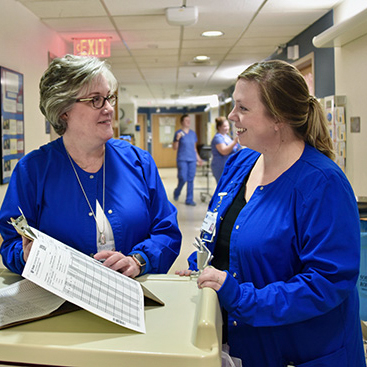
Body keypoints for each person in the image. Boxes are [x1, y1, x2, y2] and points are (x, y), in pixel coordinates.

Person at [177, 60, 366, 366]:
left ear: (278, 117)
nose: (231, 116)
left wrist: (239, 297)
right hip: (245, 345)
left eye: (243, 108)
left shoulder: (322, 183)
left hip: (301, 351)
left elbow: (327, 282)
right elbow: (216, 234)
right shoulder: (241, 164)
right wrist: (200, 268)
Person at [0, 54, 181, 278]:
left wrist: (139, 260)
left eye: (109, 98)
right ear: (63, 110)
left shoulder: (139, 163)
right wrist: (25, 255)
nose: (109, 108)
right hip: (62, 303)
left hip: (134, 296)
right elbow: (11, 243)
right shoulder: (32, 171)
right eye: (96, 99)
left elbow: (167, 231)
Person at [172, 114, 203, 206]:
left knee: (190, 179)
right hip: (182, 159)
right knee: (183, 178)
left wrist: (199, 158)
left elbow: (194, 148)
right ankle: (177, 191)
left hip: (192, 159)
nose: (188, 122)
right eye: (186, 120)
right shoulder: (178, 133)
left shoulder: (193, 134)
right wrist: (177, 139)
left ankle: (189, 199)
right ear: (182, 122)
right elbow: (174, 147)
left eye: (189, 120)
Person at [210, 116, 240, 183]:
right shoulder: (218, 138)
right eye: (225, 126)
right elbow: (224, 151)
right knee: (222, 186)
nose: (227, 128)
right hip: (220, 166)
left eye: (228, 126)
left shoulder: (227, 137)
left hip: (229, 165)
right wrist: (235, 142)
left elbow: (234, 149)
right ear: (219, 127)